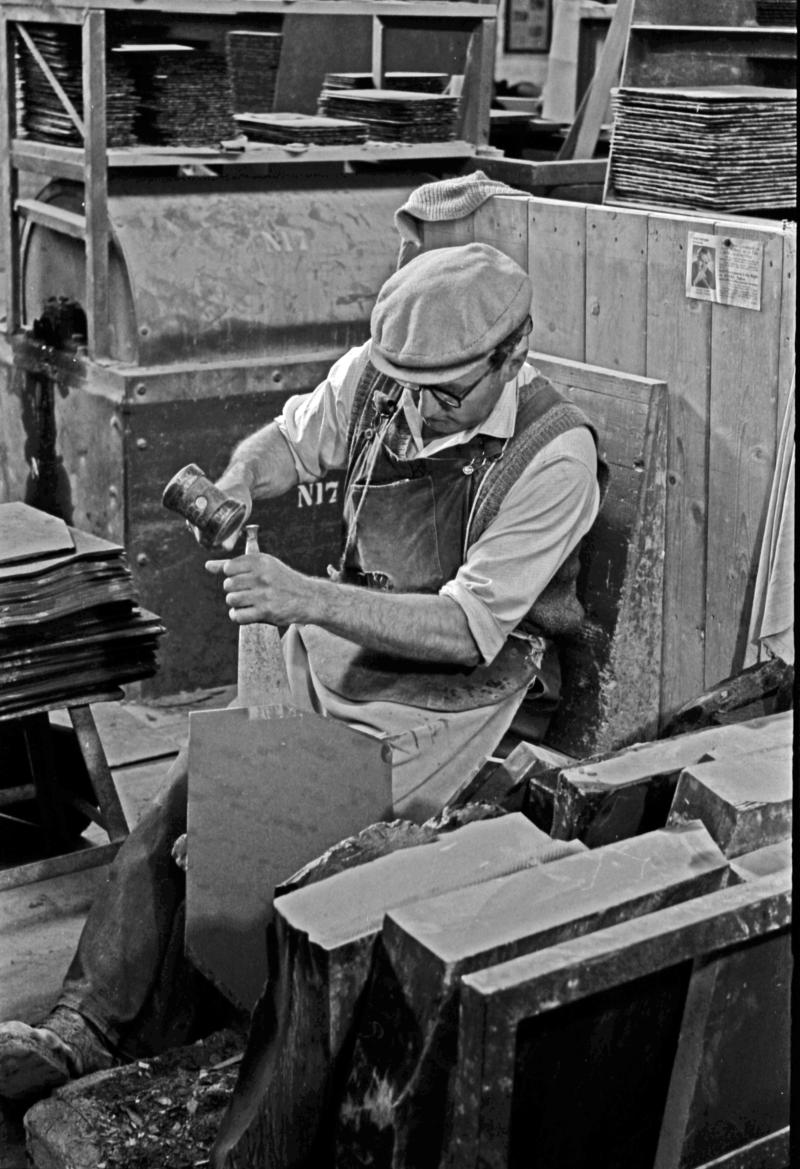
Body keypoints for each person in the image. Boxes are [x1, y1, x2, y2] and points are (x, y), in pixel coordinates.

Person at [0, 242, 603, 1104]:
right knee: (203, 775)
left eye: (447, 392)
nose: (420, 410)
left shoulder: (553, 454)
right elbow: (287, 442)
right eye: (406, 385)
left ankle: (201, 1042)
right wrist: (243, 483)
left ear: (512, 353)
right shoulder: (384, 376)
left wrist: (307, 597)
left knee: (272, 802)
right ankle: (85, 1024)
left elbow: (467, 630)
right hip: (360, 651)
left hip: (474, 690)